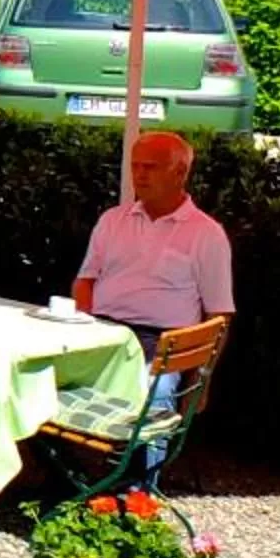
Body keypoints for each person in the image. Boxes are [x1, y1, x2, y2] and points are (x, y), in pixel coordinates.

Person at [72, 130, 234, 470]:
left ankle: (137, 494)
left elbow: (219, 313)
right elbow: (85, 281)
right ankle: (64, 478)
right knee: (47, 379)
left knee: (153, 392)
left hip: (163, 344)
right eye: (135, 165)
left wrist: (201, 378)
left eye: (151, 166)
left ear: (180, 173)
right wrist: (83, 327)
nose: (140, 174)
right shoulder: (113, 220)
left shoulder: (206, 234)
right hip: (101, 331)